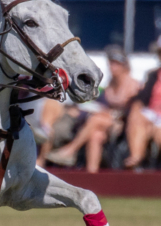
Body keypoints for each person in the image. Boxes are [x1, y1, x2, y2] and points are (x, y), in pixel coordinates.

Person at [46, 45, 139, 173]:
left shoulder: (134, 86)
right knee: (96, 135)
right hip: (106, 124)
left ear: (124, 66)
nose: (112, 67)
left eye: (116, 64)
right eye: (111, 63)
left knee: (96, 119)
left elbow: (135, 110)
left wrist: (113, 115)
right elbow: (100, 104)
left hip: (123, 125)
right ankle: (92, 175)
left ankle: (71, 149)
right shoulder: (111, 84)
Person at [124, 37, 161, 168]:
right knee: (136, 115)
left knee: (158, 132)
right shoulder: (153, 75)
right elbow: (143, 97)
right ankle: (136, 156)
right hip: (152, 114)